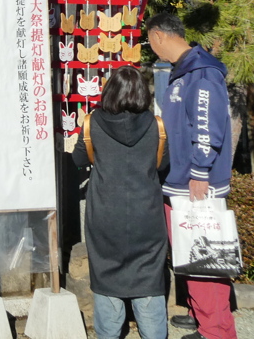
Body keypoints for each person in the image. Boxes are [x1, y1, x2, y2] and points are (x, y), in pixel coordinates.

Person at [146, 12, 235, 339]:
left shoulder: (201, 72)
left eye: (150, 41)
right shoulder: (183, 72)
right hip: (184, 183)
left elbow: (206, 122)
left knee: (204, 270)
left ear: (158, 37)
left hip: (196, 186)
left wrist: (199, 169)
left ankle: (216, 332)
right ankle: (213, 327)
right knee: (198, 269)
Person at [73, 66, 170, 339]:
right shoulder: (156, 125)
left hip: (105, 214)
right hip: (147, 215)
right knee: (149, 277)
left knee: (106, 276)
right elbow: (165, 163)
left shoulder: (93, 123)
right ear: (143, 93)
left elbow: (79, 160)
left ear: (109, 92)